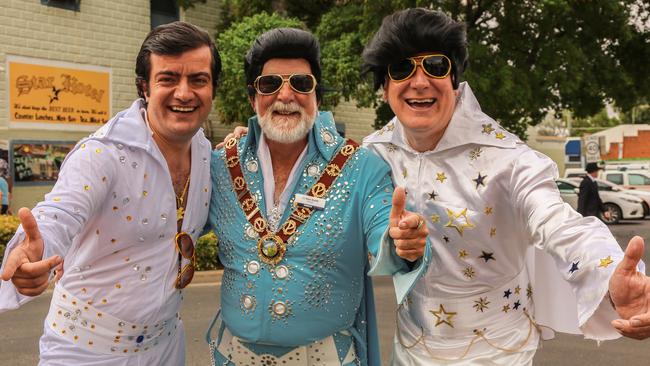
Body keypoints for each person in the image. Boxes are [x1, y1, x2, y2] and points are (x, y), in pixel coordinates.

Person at [361, 8, 650, 365]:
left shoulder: (508, 158)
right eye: (402, 68)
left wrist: (611, 274)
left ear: (455, 80)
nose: (419, 82)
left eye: (436, 66)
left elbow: (556, 220)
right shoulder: (373, 154)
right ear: (385, 86)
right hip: (409, 348)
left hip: (497, 351)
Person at [204, 28, 429, 366]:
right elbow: (178, 223)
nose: (285, 95)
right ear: (253, 97)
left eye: (301, 83)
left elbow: (386, 227)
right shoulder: (221, 165)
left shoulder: (360, 167)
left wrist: (402, 242)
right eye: (270, 85)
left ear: (316, 97)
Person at [0, 21, 220, 365]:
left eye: (198, 80)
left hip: (167, 349)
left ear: (212, 89)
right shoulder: (102, 154)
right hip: (83, 353)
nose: (184, 93)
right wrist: (34, 249)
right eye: (168, 79)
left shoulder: (208, 154)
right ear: (144, 88)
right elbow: (59, 214)